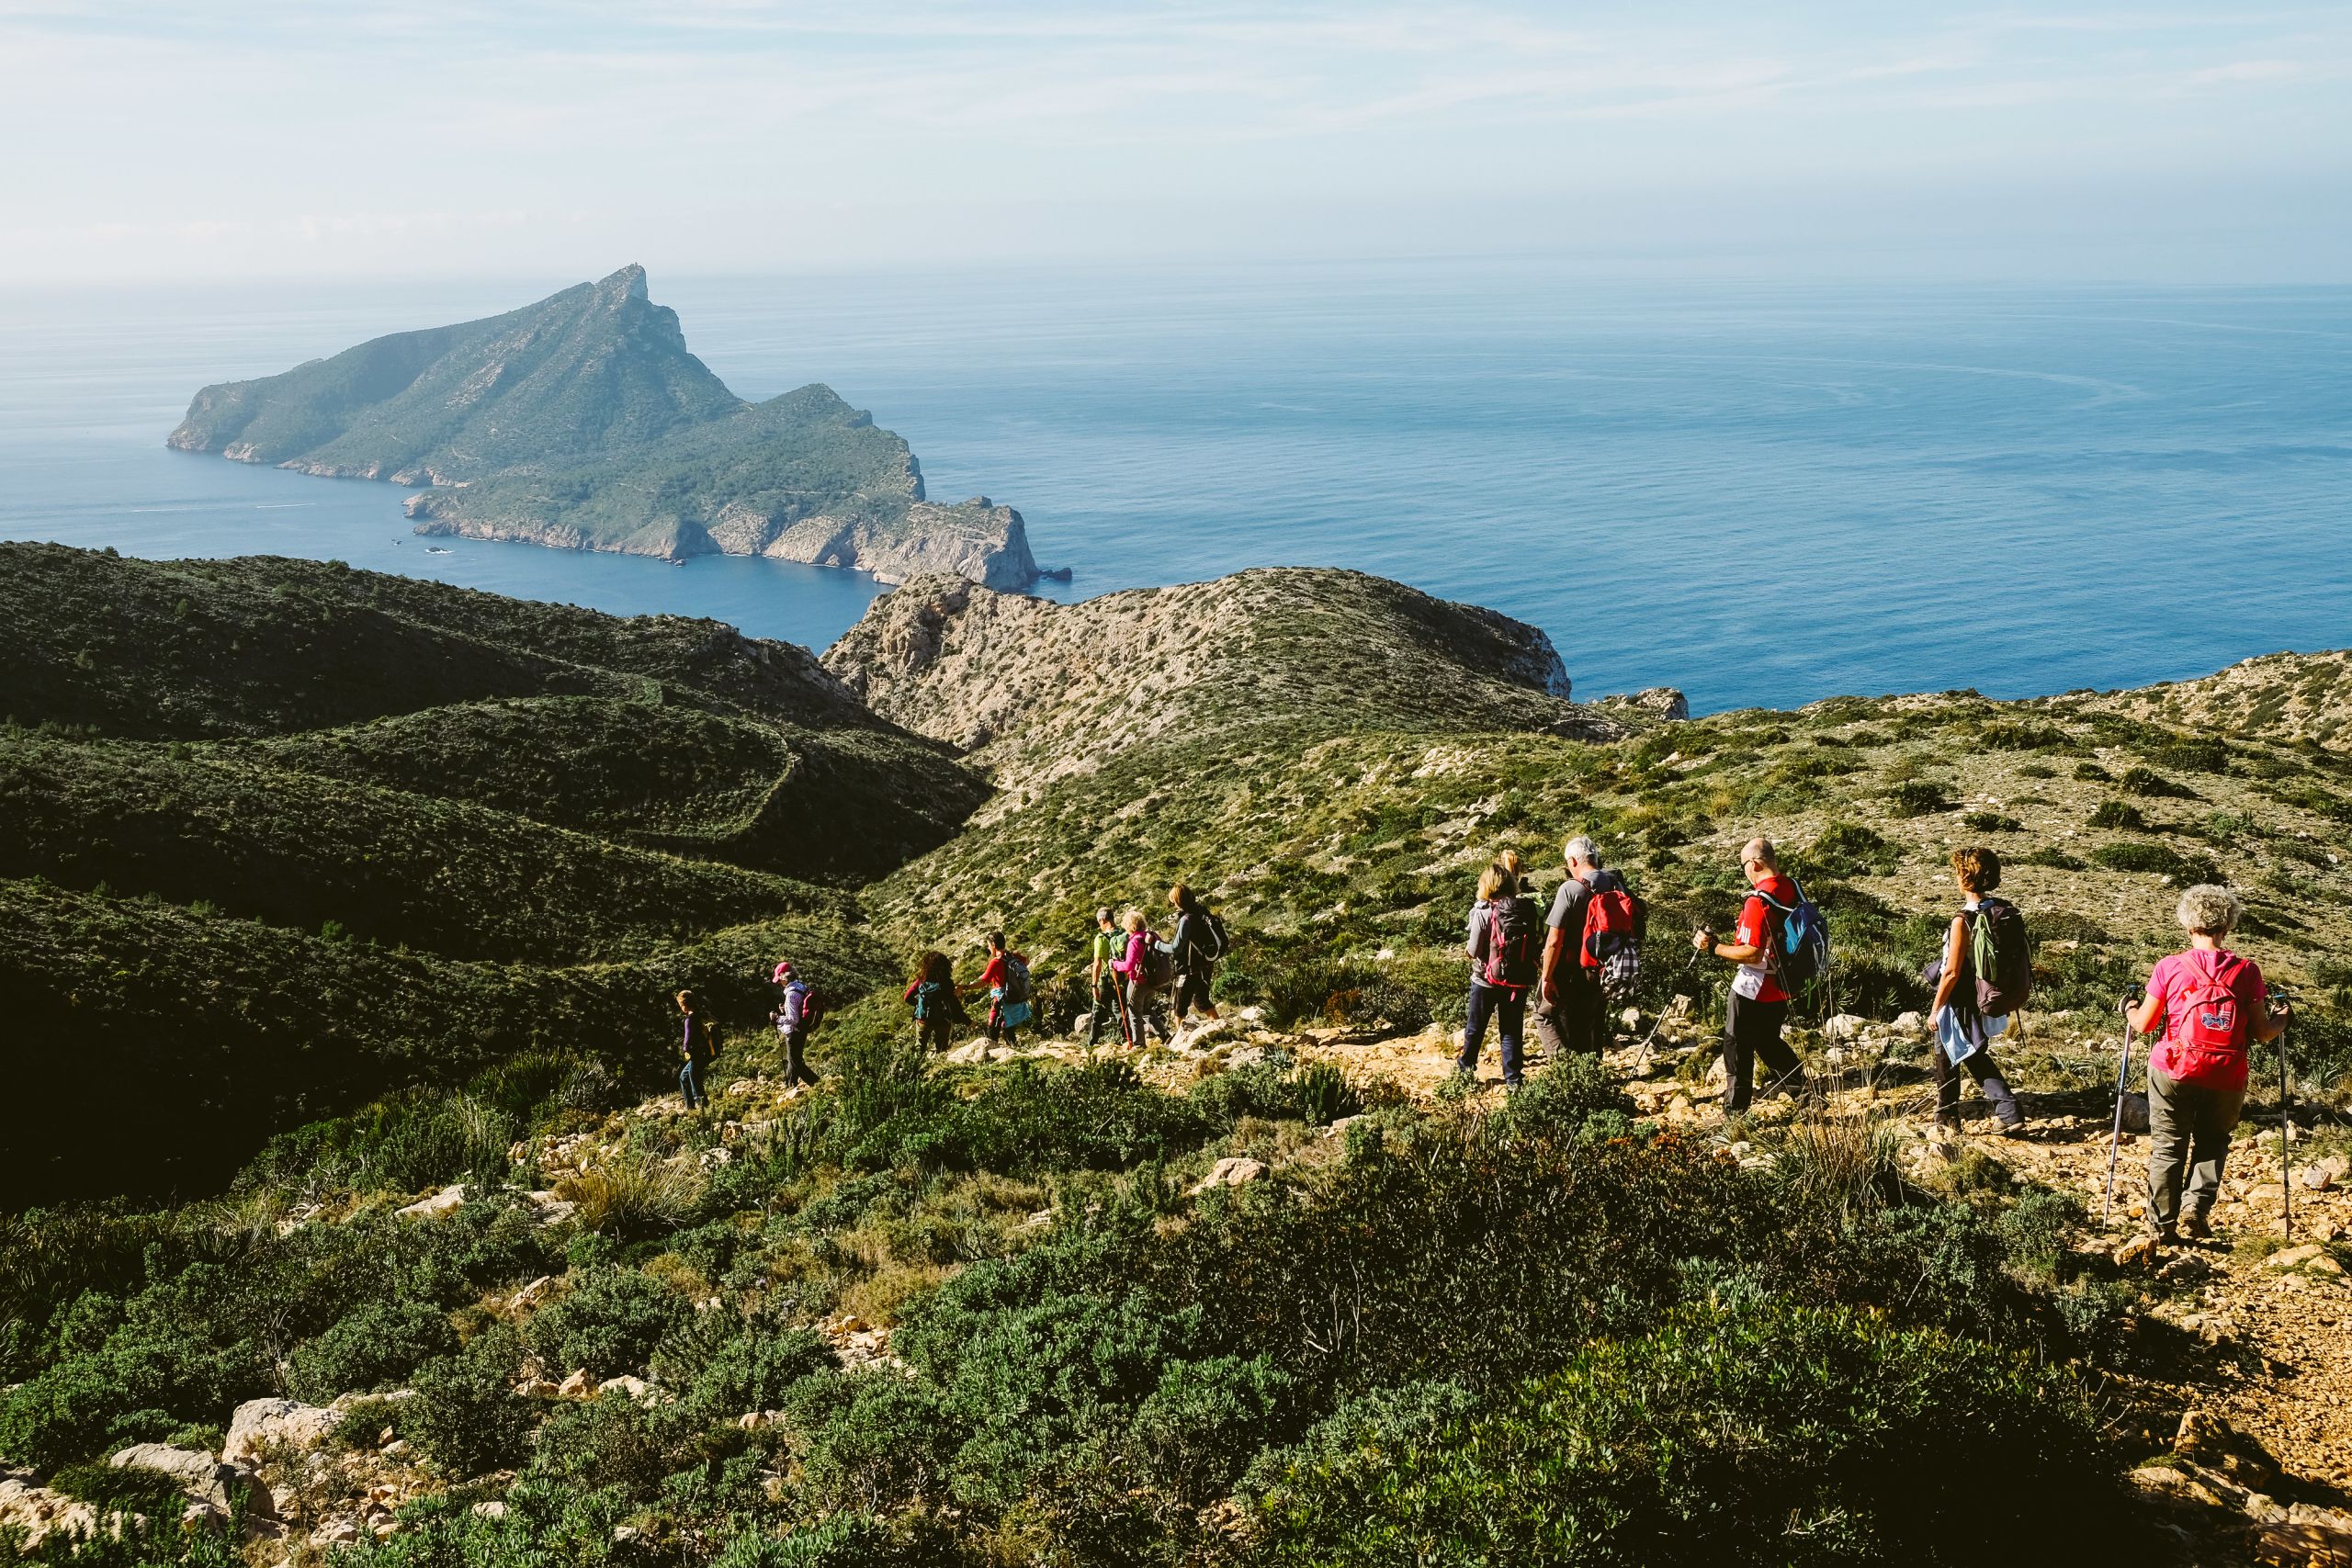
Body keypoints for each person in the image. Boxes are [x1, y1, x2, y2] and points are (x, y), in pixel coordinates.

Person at [2131, 884, 2290, 1243]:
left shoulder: (2170, 967)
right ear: (2227, 925)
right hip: (2226, 1071)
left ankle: (2161, 1226)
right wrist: (2283, 1017)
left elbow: (2145, 1025)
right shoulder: (2247, 971)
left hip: (2172, 1068)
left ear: (2188, 925)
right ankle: (2195, 1211)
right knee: (2213, 1140)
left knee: (2169, 1145)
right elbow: (2263, 1032)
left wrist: (2128, 1008)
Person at [1691, 837, 1808, 1111]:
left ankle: (1736, 1111)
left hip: (1754, 986)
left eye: (1744, 865)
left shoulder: (1758, 901)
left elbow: (1752, 954)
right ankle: (1805, 1095)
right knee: (1768, 1042)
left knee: (1736, 1045)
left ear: (1754, 864)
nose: (1744, 871)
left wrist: (1715, 948)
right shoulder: (1792, 887)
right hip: (1784, 982)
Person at [1923, 849, 2024, 1136]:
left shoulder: (1963, 919)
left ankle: (1946, 1118)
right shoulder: (2001, 911)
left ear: (1964, 878)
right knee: (1971, 1052)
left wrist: (1936, 1009)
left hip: (1961, 997)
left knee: (1947, 1053)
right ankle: (2008, 1111)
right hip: (1985, 993)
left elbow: (1952, 971)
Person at [1459, 863, 1538, 1088]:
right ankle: (1513, 1079)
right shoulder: (1523, 909)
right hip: (1516, 979)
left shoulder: (1483, 912)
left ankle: (1465, 1071)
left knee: (1476, 1027)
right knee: (1511, 1030)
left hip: (1485, 979)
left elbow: (1473, 950)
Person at [1536, 836, 1609, 1060]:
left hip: (1574, 970)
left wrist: (1547, 977)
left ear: (1573, 861)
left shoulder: (1570, 889)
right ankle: (1594, 1072)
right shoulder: (1615, 883)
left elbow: (1554, 941)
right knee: (1594, 1020)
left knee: (1545, 1014)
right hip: (1607, 968)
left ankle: (1567, 1070)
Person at [1167, 884, 1224, 1043]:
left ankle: (1179, 1041)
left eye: (1173, 901)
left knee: (1179, 1006)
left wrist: (1156, 944)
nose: (1173, 905)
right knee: (1201, 1000)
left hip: (1190, 968)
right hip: (1206, 963)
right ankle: (1220, 1027)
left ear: (1178, 900)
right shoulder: (1201, 912)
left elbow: (1175, 948)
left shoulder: (1186, 919)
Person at [1113, 909, 1171, 1046]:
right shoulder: (1153, 936)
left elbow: (1128, 965)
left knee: (1134, 1011)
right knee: (1145, 1009)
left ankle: (1139, 1044)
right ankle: (1164, 1035)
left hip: (1139, 981)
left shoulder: (1134, 941)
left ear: (1129, 926)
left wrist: (1115, 964)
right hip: (1154, 980)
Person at [978, 931, 1032, 1049]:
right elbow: (1026, 962)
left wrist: (965, 987)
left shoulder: (995, 962)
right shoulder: (1013, 956)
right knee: (1008, 1027)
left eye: (988, 945)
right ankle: (1014, 1050)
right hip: (1013, 995)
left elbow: (983, 982)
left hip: (1001, 1000)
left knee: (992, 1028)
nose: (988, 948)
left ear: (993, 944)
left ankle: (991, 1055)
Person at [770, 961, 820, 1089]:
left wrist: (777, 1019)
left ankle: (817, 1083)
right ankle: (791, 1085)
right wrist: (784, 1010)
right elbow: (799, 1010)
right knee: (794, 1060)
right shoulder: (800, 987)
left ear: (784, 977)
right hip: (802, 1029)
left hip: (794, 1031)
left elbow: (793, 1019)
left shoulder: (791, 995)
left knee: (795, 1062)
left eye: (779, 979)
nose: (779, 983)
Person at [903, 950, 960, 1053]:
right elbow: (953, 1003)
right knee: (942, 1050)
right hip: (942, 1021)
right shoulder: (947, 982)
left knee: (919, 1049)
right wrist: (966, 1021)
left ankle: (917, 1067)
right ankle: (940, 1067)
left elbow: (907, 997)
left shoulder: (921, 981)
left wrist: (919, 1004)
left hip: (923, 1020)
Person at [1085, 907, 1125, 1047]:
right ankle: (1127, 1040)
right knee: (1120, 1011)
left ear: (1102, 920)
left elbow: (1097, 963)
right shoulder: (1123, 933)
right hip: (1121, 979)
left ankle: (1091, 1044)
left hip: (1105, 981)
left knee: (1097, 1014)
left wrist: (1094, 985)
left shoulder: (1101, 938)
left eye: (1099, 922)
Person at [674, 988, 718, 1111]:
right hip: (706, 1052)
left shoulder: (689, 1019)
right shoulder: (702, 1014)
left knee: (694, 1079)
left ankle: (703, 1106)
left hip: (696, 1054)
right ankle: (691, 1107)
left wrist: (685, 1049)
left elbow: (687, 1038)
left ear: (684, 1004)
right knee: (684, 1077)